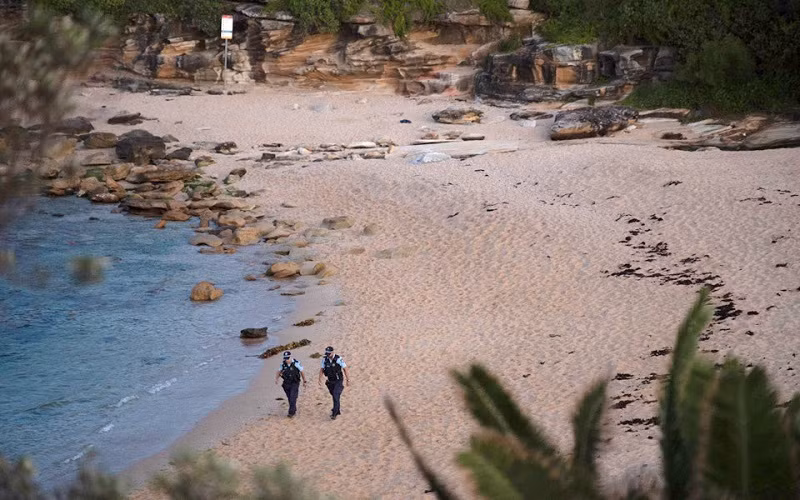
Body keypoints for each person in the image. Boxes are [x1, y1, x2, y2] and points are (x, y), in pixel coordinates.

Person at [318, 346, 350, 420]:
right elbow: (322, 369)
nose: (328, 355)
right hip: (330, 381)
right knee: (334, 395)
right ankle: (337, 410)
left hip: (338, 380)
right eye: (327, 354)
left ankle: (334, 413)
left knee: (336, 394)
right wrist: (319, 378)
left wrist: (348, 380)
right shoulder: (325, 360)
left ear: (332, 352)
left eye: (329, 354)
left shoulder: (339, 359)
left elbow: (345, 369)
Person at [275, 350, 306, 418]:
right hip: (286, 384)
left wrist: (304, 381)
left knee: (293, 397)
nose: (286, 360)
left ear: (290, 357)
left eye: (288, 358)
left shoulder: (296, 363)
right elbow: (278, 371)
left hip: (295, 383)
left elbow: (302, 371)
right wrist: (276, 379)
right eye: (285, 358)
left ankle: (291, 413)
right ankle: (293, 409)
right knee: (290, 398)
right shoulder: (283, 365)